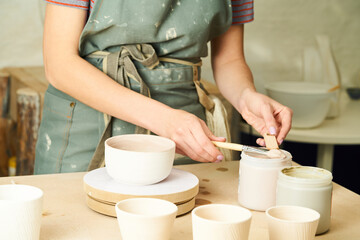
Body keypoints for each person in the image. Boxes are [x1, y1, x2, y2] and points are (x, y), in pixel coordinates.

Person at [34, 0, 292, 174]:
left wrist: (247, 96)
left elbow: (230, 60)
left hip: (184, 129)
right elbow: (59, 63)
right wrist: (164, 121)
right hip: (86, 124)